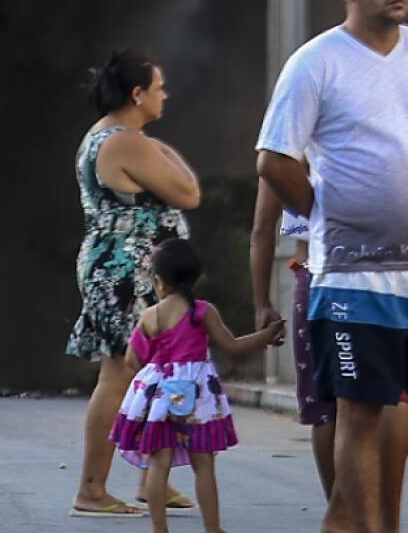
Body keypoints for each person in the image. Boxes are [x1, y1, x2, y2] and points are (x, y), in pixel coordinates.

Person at [257, 0, 408, 533]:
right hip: (351, 271)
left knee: (397, 406)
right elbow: (273, 159)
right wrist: (329, 211)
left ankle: (374, 525)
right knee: (359, 410)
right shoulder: (316, 62)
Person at [66, 50, 201, 517]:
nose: (165, 95)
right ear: (137, 94)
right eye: (158, 87)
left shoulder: (107, 135)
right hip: (126, 271)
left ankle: (152, 479)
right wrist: (163, 150)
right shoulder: (126, 140)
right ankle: (91, 488)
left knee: (154, 368)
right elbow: (188, 192)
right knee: (120, 373)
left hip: (126, 264)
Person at [111, 239, 285, 533]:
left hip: (159, 398)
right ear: (196, 278)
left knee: (158, 464)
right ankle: (213, 529)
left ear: (159, 281)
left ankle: (159, 528)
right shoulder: (202, 311)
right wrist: (266, 336)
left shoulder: (149, 316)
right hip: (197, 397)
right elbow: (234, 346)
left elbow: (132, 359)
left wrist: (159, 373)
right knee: (204, 465)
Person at [251, 180, 338, 497]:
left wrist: (262, 303)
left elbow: (263, 228)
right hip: (381, 274)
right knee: (382, 399)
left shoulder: (288, 146)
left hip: (314, 273)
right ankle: (379, 515)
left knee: (324, 406)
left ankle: (340, 513)